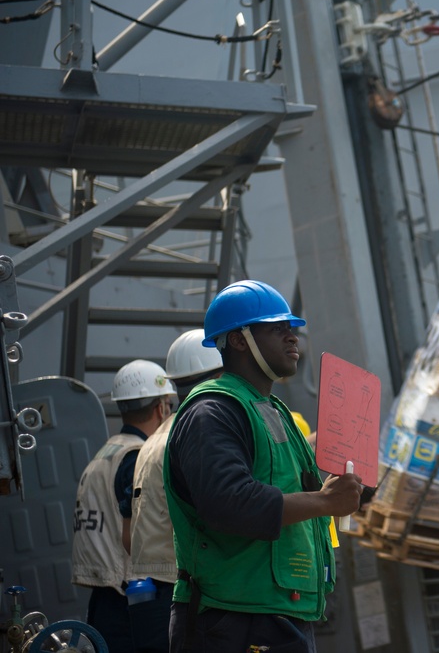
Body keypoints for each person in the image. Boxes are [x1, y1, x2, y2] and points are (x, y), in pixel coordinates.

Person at [164, 280, 363, 653]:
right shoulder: (212, 412)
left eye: (292, 329)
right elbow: (230, 503)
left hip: (275, 611)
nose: (293, 338)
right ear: (239, 341)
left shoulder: (271, 410)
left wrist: (348, 493)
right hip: (233, 619)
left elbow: (300, 494)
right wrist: (324, 502)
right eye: (277, 329)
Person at [124, 330, 224, 653]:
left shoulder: (156, 438)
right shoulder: (194, 432)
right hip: (184, 589)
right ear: (220, 375)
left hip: (151, 590)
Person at [72, 360, 178, 653]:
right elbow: (138, 535)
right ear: (161, 408)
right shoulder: (138, 456)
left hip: (106, 595)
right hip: (131, 598)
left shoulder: (107, 453)